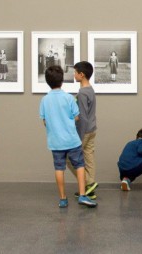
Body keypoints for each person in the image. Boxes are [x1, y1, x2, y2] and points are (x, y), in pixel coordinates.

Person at [40, 65, 97, 208]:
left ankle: (63, 199)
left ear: (47, 81)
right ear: (62, 80)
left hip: (55, 141)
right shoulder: (69, 98)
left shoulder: (44, 100)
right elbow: (77, 117)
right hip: (72, 140)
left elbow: (45, 121)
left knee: (59, 168)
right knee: (80, 165)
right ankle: (83, 195)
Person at [68, 61, 98, 200]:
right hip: (93, 129)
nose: (73, 74)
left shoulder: (82, 93)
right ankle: (89, 190)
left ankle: (88, 183)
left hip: (84, 131)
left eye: (75, 72)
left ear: (82, 74)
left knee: (70, 158)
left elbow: (83, 118)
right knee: (89, 158)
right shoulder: (90, 90)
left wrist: (79, 137)